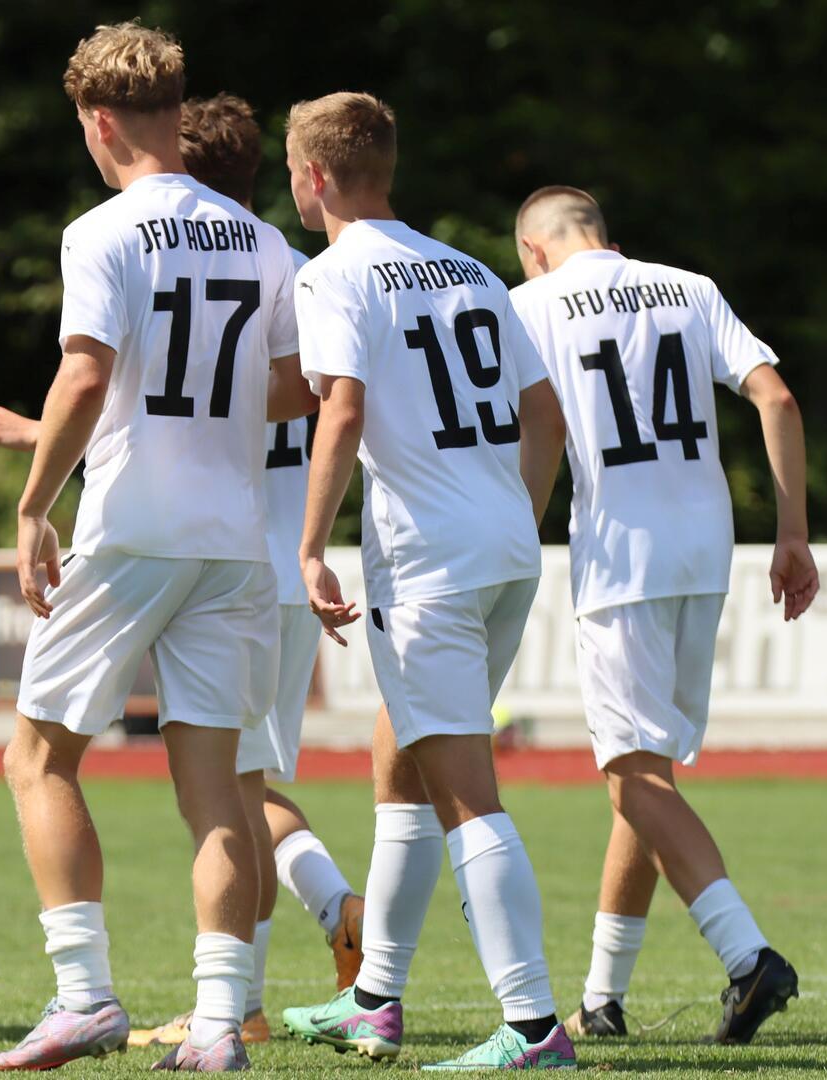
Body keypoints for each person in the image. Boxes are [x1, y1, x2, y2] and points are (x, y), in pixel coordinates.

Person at [0, 92, 365, 1051]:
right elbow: (297, 387)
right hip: (236, 543)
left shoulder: (101, 231)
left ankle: (86, 995)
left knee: (38, 755)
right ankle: (225, 1018)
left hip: (134, 526)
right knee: (223, 791)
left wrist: (31, 504)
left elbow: (88, 375)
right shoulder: (271, 246)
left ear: (101, 120)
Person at [279, 92, 576, 1069]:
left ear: (314, 176)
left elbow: (343, 410)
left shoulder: (333, 277)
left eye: (292, 167)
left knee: (465, 794)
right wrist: (511, 520)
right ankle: (374, 999)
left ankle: (532, 1025)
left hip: (430, 567)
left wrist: (312, 544)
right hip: (501, 550)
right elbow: (547, 419)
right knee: (403, 762)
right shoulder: (470, 268)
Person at [509, 185, 814, 1045]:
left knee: (632, 776)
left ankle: (748, 956)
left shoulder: (526, 303)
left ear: (533, 248)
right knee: (646, 778)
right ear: (601, 231)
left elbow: (535, 428)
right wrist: (792, 534)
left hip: (621, 555)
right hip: (704, 550)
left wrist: (515, 537)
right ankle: (602, 999)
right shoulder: (690, 287)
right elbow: (778, 400)